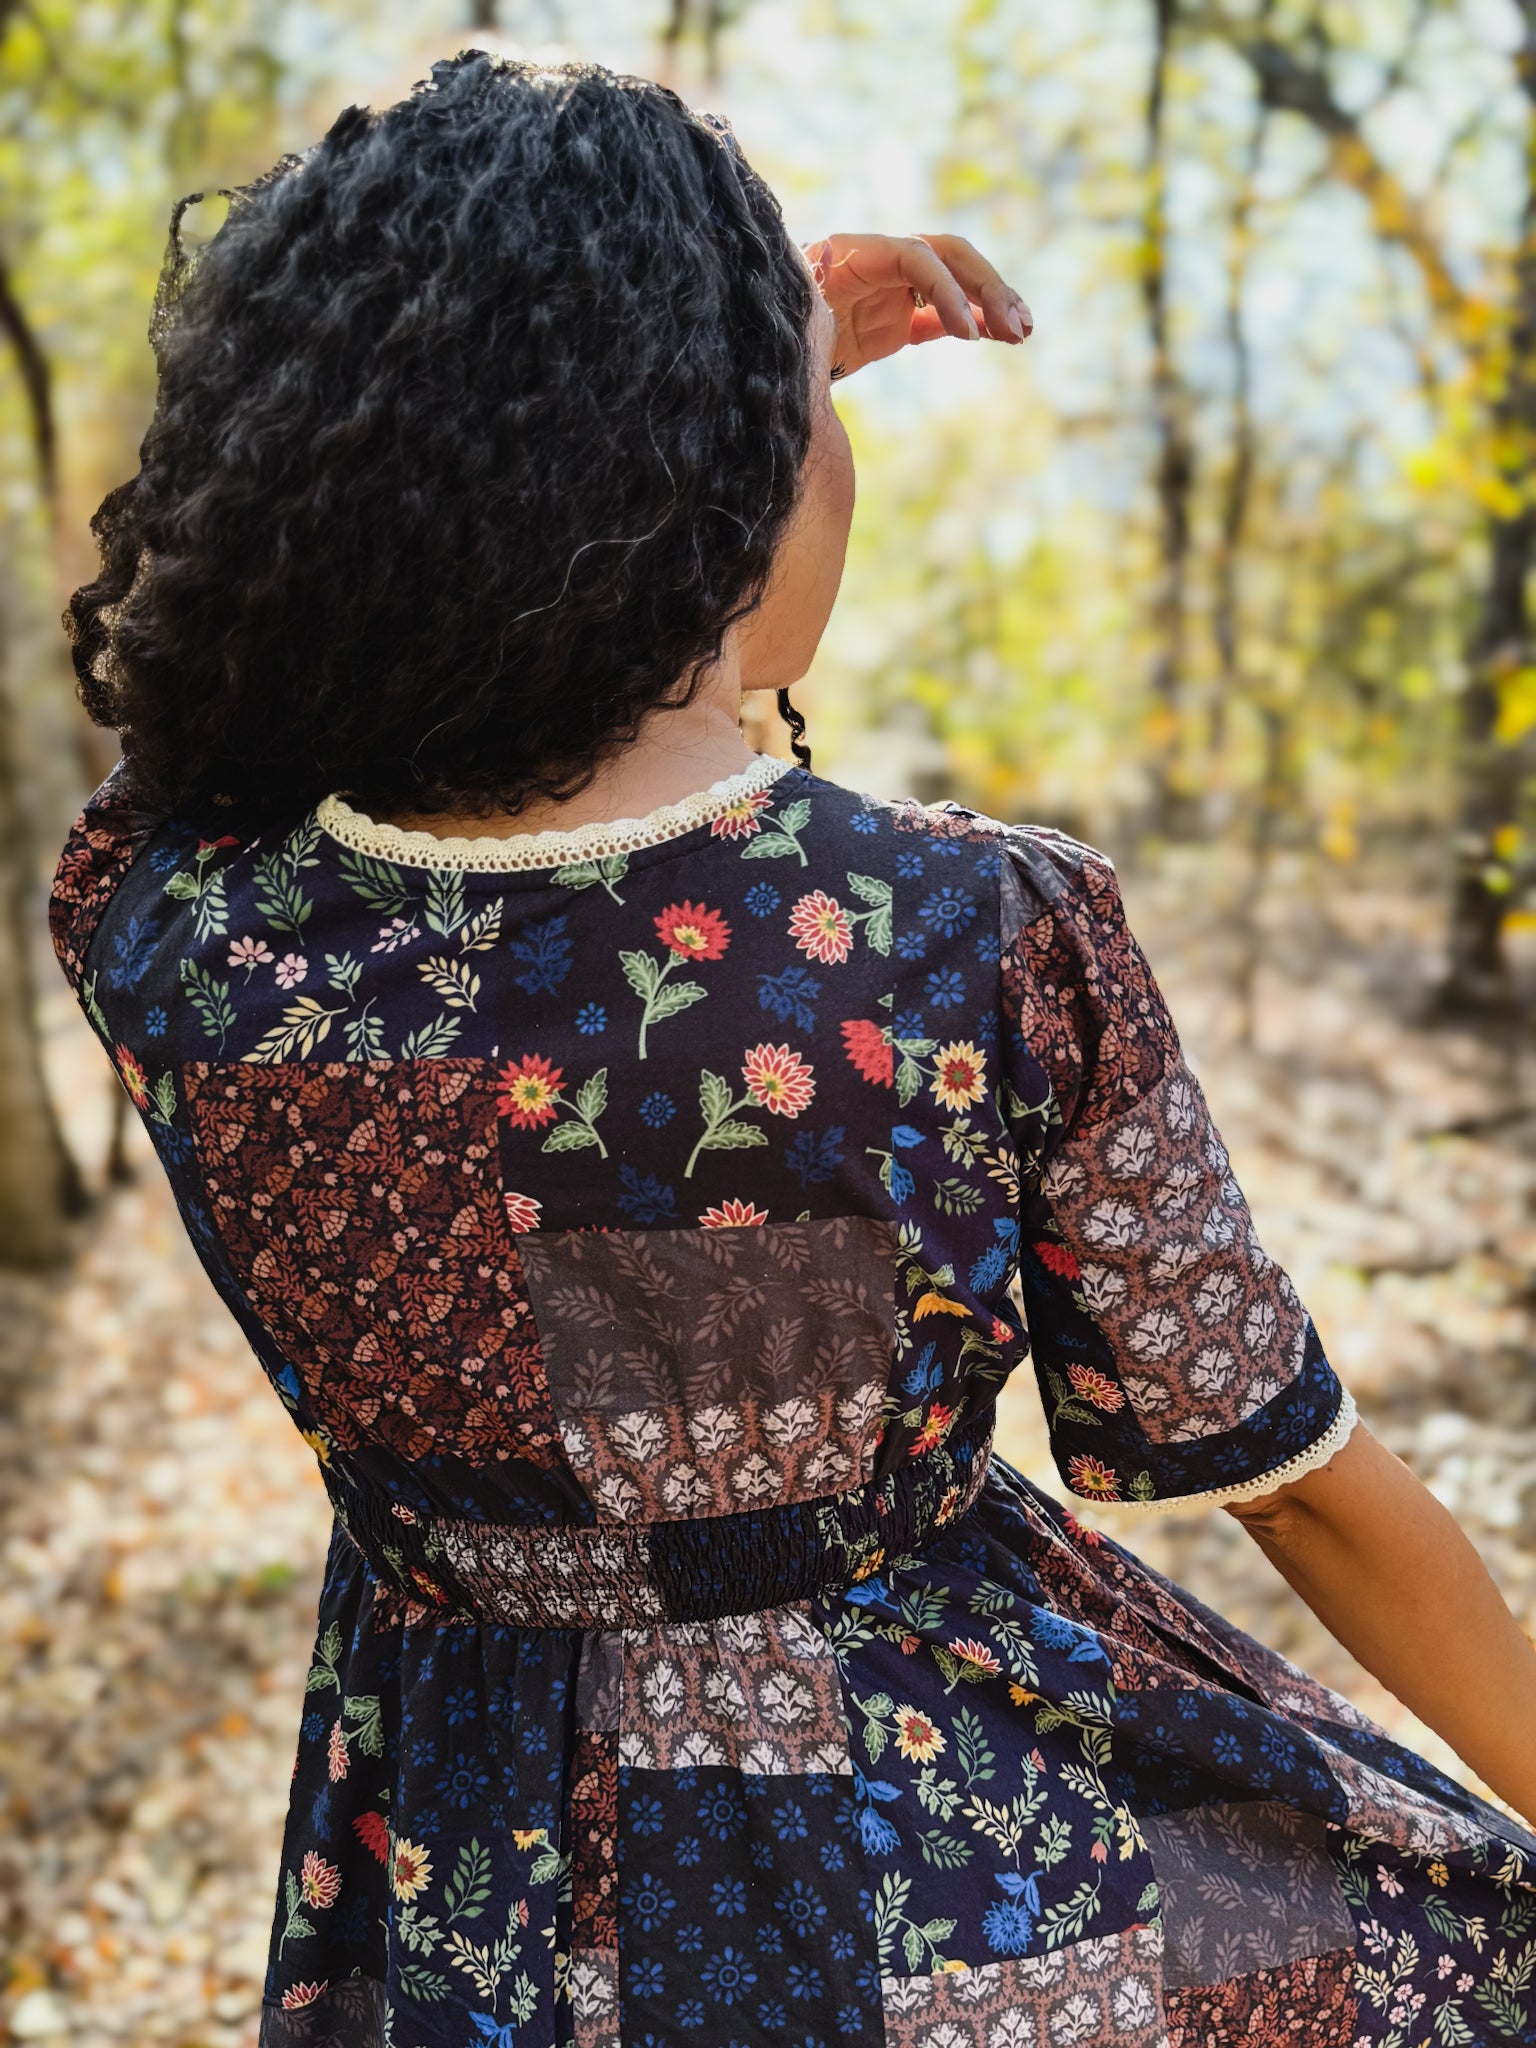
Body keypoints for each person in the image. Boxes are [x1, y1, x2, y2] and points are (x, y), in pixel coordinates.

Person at [51, 51, 1536, 2048]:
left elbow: (177, 749)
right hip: (956, 1915)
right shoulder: (971, 936)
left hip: (471, 1920)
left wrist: (690, 399)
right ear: (736, 474)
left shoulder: (177, 934)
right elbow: (1299, 1483)